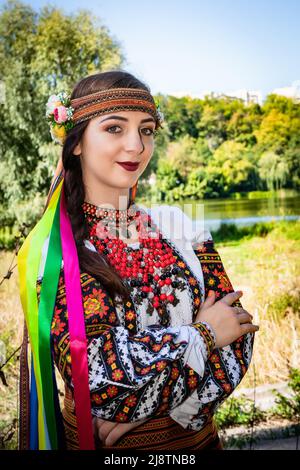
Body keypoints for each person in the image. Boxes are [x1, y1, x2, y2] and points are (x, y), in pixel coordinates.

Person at [17, 70, 259, 451]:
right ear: (76, 142)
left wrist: (146, 407)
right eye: (115, 128)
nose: (136, 145)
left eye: (146, 130)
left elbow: (239, 334)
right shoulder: (57, 250)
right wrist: (203, 334)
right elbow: (99, 381)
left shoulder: (179, 227)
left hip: (197, 442)